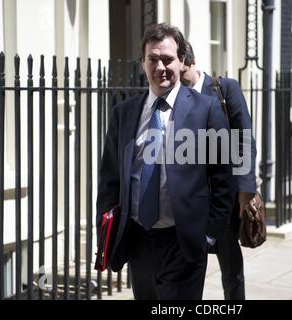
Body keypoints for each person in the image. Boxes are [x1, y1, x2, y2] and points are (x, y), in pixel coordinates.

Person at [96, 23, 235, 300]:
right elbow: (109, 179)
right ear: (143, 63)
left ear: (181, 60)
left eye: (168, 59)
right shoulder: (124, 113)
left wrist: (208, 235)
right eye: (153, 59)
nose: (161, 67)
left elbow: (223, 178)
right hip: (138, 241)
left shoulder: (205, 110)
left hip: (183, 243)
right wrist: (107, 230)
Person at [180, 41, 258, 300]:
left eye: (182, 73)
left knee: (230, 266)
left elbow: (244, 138)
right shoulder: (172, 95)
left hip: (221, 197)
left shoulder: (225, 89)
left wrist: (246, 190)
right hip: (188, 198)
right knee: (189, 268)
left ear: (192, 62)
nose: (178, 80)